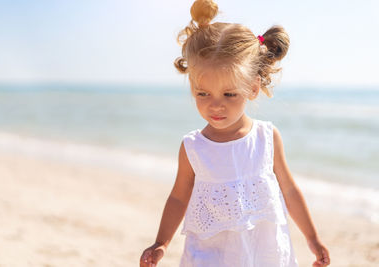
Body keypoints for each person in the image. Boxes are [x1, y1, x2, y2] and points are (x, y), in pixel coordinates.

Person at [140, 0, 331, 266]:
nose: (215, 104)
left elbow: (289, 190)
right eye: (202, 93)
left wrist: (312, 237)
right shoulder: (194, 146)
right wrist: (162, 242)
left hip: (264, 254)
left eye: (230, 94)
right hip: (211, 256)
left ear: (253, 88)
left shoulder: (267, 137)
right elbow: (178, 196)